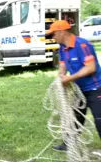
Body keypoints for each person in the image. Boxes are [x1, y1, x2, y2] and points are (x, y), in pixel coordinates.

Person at [47, 20, 101, 151]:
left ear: (61, 32)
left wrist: (69, 78)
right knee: (74, 117)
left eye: (53, 34)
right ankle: (69, 144)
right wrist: (61, 78)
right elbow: (63, 65)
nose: (52, 38)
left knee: (99, 119)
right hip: (79, 89)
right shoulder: (62, 47)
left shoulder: (82, 45)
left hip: (95, 88)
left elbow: (91, 67)